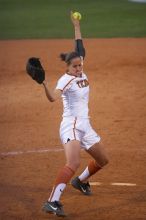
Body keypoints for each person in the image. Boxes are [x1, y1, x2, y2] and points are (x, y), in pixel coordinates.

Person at [42, 11, 109, 217]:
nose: (80, 68)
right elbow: (53, 97)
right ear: (68, 68)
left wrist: (76, 25)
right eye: (76, 66)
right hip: (70, 124)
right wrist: (43, 83)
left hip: (85, 125)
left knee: (103, 160)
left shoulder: (80, 67)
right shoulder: (65, 80)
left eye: (81, 65)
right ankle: (52, 202)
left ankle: (79, 181)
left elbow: (80, 47)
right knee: (73, 162)